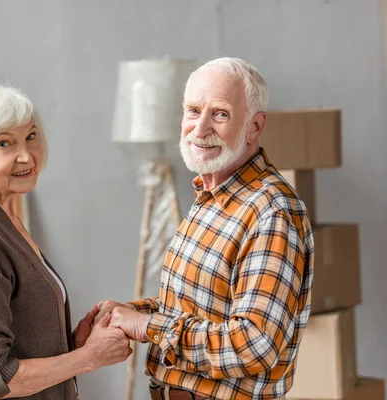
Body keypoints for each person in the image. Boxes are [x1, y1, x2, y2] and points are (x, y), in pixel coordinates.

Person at [97, 58, 314, 400]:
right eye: (193, 110)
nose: (200, 129)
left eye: (221, 114)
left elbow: (254, 344)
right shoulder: (212, 194)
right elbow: (198, 308)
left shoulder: (272, 211)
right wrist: (129, 313)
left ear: (255, 127)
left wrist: (149, 328)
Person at [0, 82, 132, 400]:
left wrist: (73, 343)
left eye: (31, 137)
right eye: (4, 144)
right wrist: (89, 357)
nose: (26, 156)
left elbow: (18, 332)